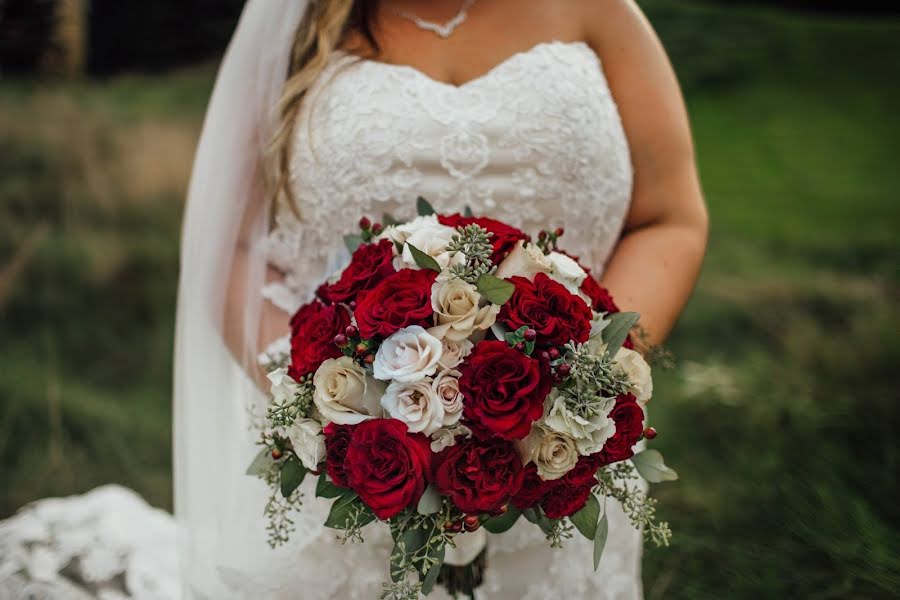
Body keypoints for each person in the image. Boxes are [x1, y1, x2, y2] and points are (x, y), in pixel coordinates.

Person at [0, 1, 707, 598]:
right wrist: (330, 409)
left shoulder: (599, 11)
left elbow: (668, 215)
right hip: (353, 473)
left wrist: (583, 381)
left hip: (566, 458)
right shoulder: (298, 23)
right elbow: (229, 243)